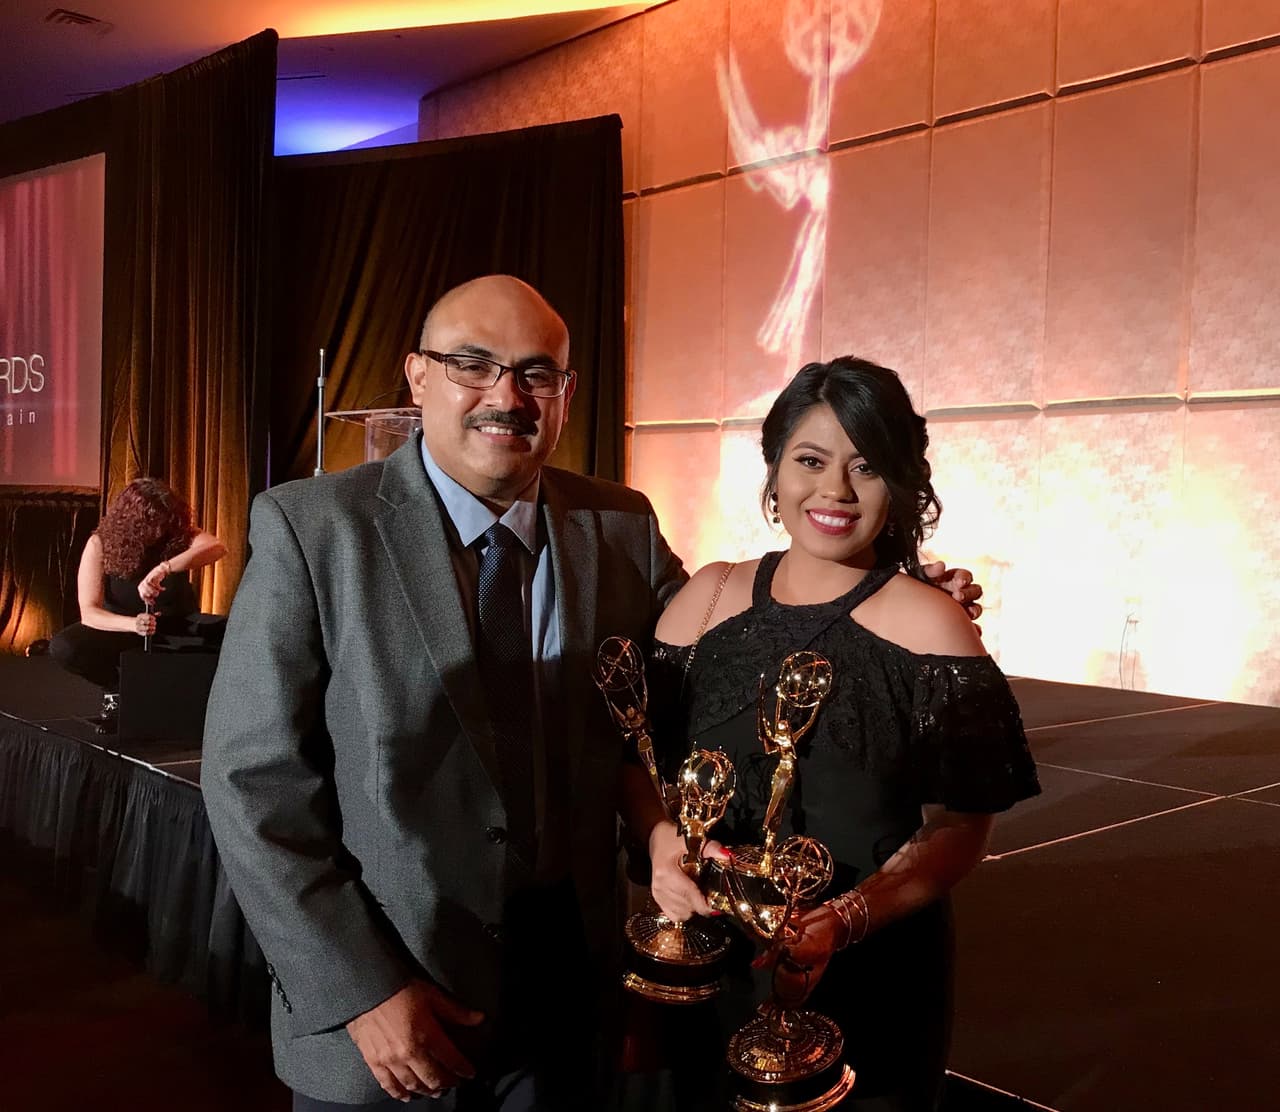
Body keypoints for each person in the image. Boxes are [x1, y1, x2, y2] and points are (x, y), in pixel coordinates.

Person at [201, 278, 984, 1112]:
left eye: (536, 373)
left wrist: (884, 603)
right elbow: (253, 785)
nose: (506, 396)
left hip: (567, 1000)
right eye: (473, 364)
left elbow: (734, 651)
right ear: (418, 375)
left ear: (566, 394)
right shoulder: (313, 529)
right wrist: (360, 990)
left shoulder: (620, 527)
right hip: (394, 1008)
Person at [633, 357, 1040, 1112]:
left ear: (902, 482)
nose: (836, 491)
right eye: (811, 461)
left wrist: (844, 922)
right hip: (705, 973)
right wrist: (661, 844)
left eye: (866, 466)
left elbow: (962, 826)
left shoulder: (933, 626)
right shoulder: (706, 598)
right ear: (774, 468)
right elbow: (637, 759)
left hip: (868, 979)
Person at [49, 477, 226, 721]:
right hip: (124, 629)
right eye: (150, 522)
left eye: (163, 521)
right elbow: (89, 612)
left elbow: (217, 547)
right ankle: (117, 690)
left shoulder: (175, 536)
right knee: (65, 646)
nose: (157, 530)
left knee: (234, 633)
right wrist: (134, 624)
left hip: (176, 624)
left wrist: (163, 569)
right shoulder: (100, 543)